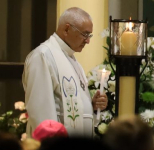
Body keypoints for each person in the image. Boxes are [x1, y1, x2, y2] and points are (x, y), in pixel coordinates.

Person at [23, 7, 107, 137]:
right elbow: (40, 110)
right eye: (85, 34)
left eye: (89, 35)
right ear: (67, 29)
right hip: (57, 146)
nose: (88, 41)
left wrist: (92, 106)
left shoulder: (71, 59)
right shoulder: (43, 56)